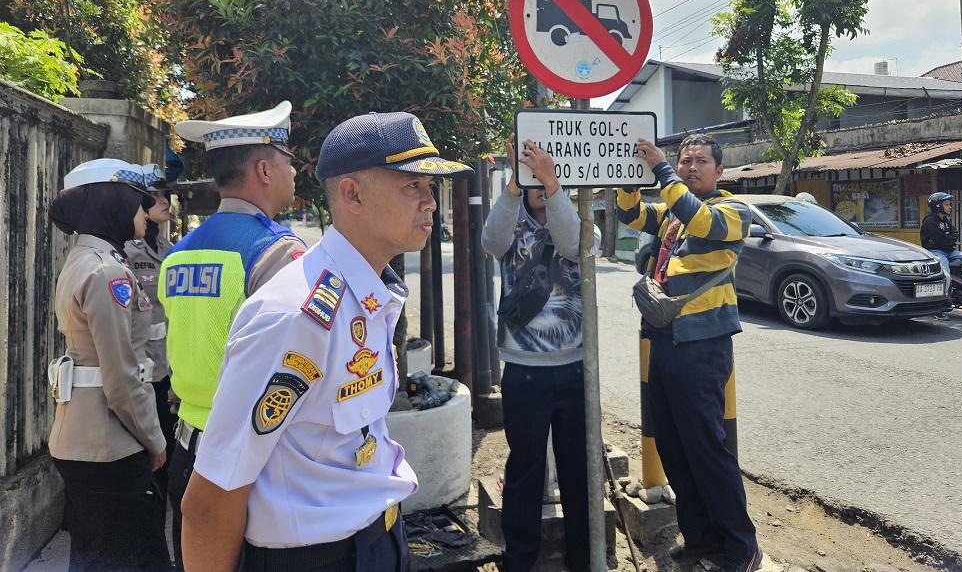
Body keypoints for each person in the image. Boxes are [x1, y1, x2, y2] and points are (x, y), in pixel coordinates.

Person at [179, 112, 472, 572]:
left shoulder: (370, 294)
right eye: (411, 186)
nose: (430, 202)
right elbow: (211, 499)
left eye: (429, 188)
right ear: (352, 194)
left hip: (379, 537)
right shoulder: (295, 315)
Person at [160, 101, 306, 569]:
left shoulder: (176, 255)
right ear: (264, 169)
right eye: (289, 161)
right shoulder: (279, 253)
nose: (294, 171)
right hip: (250, 458)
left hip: (188, 449)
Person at [618, 134, 762, 572]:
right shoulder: (671, 214)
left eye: (701, 162)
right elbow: (630, 213)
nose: (690, 167)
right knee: (672, 445)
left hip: (702, 344)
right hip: (663, 339)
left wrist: (660, 169)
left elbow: (701, 221)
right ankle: (699, 538)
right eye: (684, 161)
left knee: (705, 447)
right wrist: (630, 175)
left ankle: (742, 545)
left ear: (719, 171)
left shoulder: (732, 211)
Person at [47, 158, 171, 571]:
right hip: (109, 446)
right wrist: (155, 441)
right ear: (114, 205)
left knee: (92, 556)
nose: (144, 213)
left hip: (81, 438)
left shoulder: (82, 260)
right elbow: (120, 378)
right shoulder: (106, 272)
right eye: (138, 204)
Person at [481, 135, 597, 572]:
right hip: (523, 370)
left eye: (543, 171)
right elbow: (490, 243)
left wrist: (553, 186)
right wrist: (514, 185)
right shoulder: (510, 219)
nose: (536, 179)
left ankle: (583, 559)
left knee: (578, 471)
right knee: (525, 470)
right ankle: (520, 560)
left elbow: (571, 246)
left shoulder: (580, 218)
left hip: (573, 368)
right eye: (530, 172)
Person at [125, 163, 177, 520]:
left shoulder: (170, 250)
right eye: (157, 196)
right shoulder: (127, 252)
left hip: (166, 369)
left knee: (168, 450)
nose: (166, 202)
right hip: (138, 369)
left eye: (167, 196)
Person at [920, 191, 962, 277]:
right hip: (936, 251)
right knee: (945, 271)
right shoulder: (930, 221)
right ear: (937, 206)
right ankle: (947, 290)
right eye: (946, 205)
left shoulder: (944, 219)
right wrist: (950, 239)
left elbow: (955, 233)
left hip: (949, 251)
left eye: (949, 204)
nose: (950, 207)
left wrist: (949, 239)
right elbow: (940, 240)